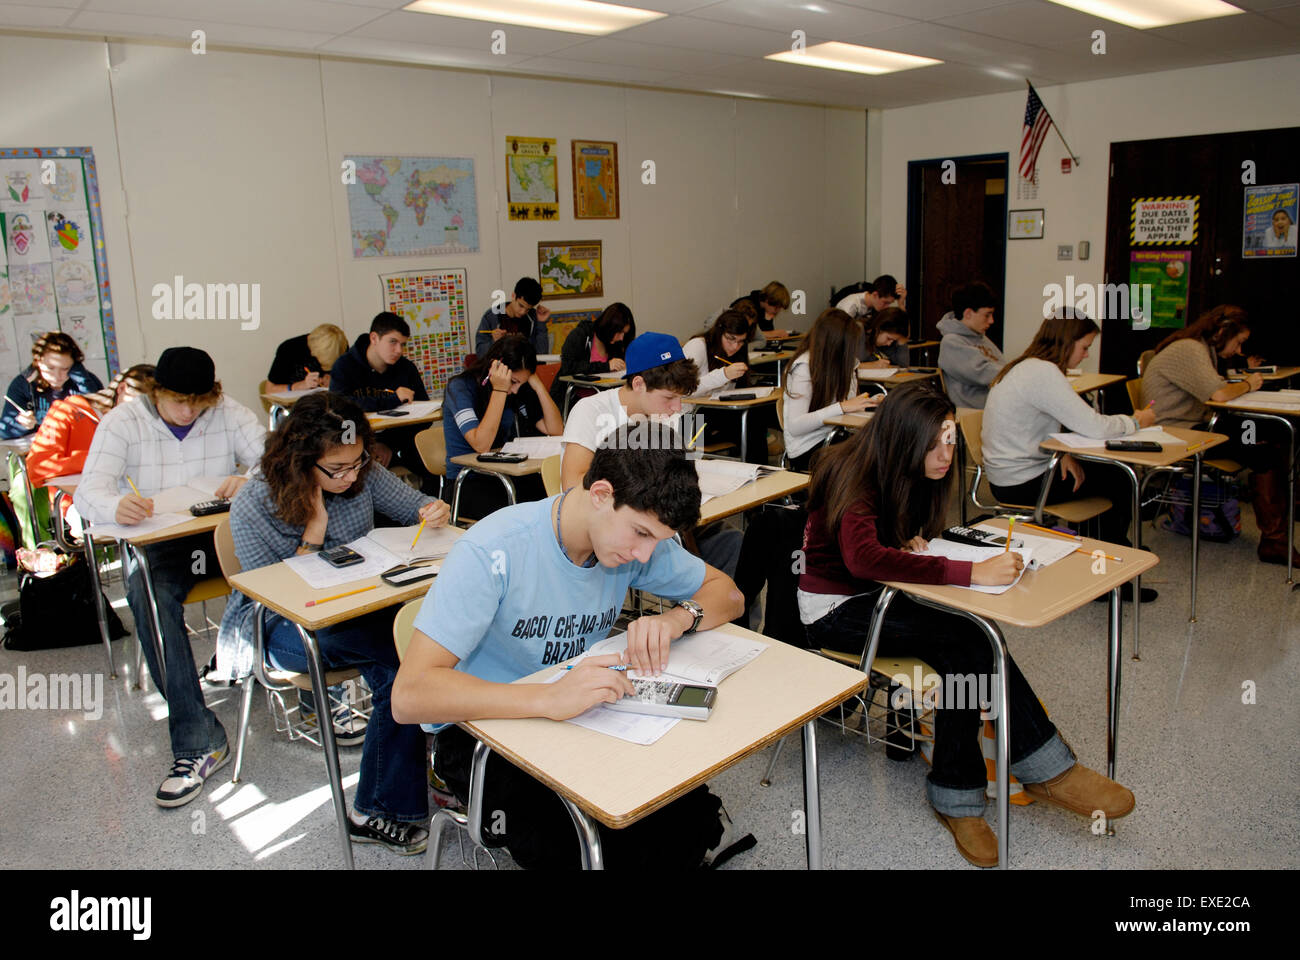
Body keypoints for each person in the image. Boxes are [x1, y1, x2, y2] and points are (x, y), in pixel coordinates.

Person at [799, 381, 1135, 867]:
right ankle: (1041, 770)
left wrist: (906, 541)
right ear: (903, 438)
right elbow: (862, 560)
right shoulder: (850, 470)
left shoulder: (895, 468)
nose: (946, 453)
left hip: (882, 593)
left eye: (951, 439)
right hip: (836, 612)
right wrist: (971, 571)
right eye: (933, 443)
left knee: (968, 643)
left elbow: (879, 542)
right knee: (970, 640)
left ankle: (961, 792)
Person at [391, 429, 747, 869]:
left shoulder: (634, 537)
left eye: (656, 540)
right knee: (594, 852)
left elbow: (728, 595)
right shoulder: (495, 549)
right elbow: (409, 696)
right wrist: (546, 698)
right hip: (484, 736)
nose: (644, 555)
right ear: (600, 494)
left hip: (581, 713)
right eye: (640, 534)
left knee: (676, 818)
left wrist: (677, 618)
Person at [214, 391, 451, 854]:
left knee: (427, 644)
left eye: (357, 462)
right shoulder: (255, 503)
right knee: (405, 665)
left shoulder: (359, 470)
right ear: (301, 459)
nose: (349, 476)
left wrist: (432, 510)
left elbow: (413, 503)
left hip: (360, 608)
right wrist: (313, 531)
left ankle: (403, 787)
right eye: (335, 470)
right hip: (283, 629)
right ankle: (376, 805)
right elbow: (275, 596)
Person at [74, 347, 266, 807]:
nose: (188, 411)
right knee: (149, 597)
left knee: (286, 568)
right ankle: (200, 740)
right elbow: (88, 492)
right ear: (156, 392)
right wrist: (114, 506)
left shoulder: (226, 410)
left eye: (197, 401)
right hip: (162, 543)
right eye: (178, 401)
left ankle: (309, 695)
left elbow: (274, 459)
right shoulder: (123, 422)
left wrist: (252, 478)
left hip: (222, 534)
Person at [982, 311, 1157, 599]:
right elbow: (1093, 426)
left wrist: (1063, 454)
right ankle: (1107, 573)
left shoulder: (1028, 366)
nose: (1086, 355)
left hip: (1016, 473)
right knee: (1120, 478)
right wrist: (1136, 421)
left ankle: (1108, 551)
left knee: (1106, 474)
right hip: (1022, 483)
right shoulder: (1043, 372)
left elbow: (1038, 423)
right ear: (1066, 342)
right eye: (1085, 347)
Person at [1142, 305, 1299, 566]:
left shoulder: (1200, 348)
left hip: (1195, 427)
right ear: (1223, 332)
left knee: (1269, 435)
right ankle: (1275, 542)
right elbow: (1220, 395)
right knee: (1263, 451)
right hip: (1177, 434)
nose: (1239, 350)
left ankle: (1277, 537)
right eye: (1238, 343)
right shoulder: (1190, 349)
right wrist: (1249, 384)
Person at [443, 334, 563, 519]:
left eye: (520, 383)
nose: (514, 390)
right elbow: (481, 444)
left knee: (554, 501)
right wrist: (499, 388)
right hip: (467, 482)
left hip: (503, 476)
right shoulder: (459, 387)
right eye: (513, 382)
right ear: (496, 369)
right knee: (526, 514)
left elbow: (555, 430)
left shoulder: (516, 390)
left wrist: (538, 386)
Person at [559, 331, 699, 491]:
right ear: (639, 384)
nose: (677, 408)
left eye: (680, 398)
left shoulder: (665, 414)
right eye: (669, 398)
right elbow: (572, 485)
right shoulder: (590, 411)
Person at [329, 312, 432, 484]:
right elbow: (339, 408)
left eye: (403, 344)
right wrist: (393, 400)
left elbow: (425, 416)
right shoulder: (344, 366)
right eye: (393, 342)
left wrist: (390, 445)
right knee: (361, 478)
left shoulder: (406, 368)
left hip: (399, 445)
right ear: (374, 338)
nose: (399, 350)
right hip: (356, 445)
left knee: (434, 467)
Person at [783, 308, 881, 473]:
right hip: (808, 448)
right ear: (835, 344)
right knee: (873, 459)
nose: (853, 351)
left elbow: (848, 410)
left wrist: (870, 404)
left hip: (836, 436)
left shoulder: (843, 364)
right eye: (849, 345)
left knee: (888, 447)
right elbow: (795, 426)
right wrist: (841, 407)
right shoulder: (804, 367)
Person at [683, 311, 769, 463]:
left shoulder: (737, 352)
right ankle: (754, 470)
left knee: (754, 419)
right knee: (749, 425)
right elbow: (682, 390)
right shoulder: (698, 346)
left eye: (741, 341)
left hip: (713, 415)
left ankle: (757, 473)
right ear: (719, 332)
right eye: (731, 339)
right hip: (688, 422)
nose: (735, 346)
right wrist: (723, 375)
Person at [1, 331, 104, 439]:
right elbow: (3, 432)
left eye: (65, 369)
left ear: (74, 365)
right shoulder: (24, 384)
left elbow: (100, 417)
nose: (57, 376)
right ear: (38, 362)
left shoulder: (86, 379)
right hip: (41, 451)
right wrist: (21, 424)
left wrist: (81, 377)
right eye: (50, 368)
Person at [548, 302, 636, 407]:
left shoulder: (615, 344)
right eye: (619, 332)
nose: (621, 338)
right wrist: (606, 366)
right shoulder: (580, 335)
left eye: (624, 334)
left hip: (606, 399)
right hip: (576, 401)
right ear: (609, 327)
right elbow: (568, 368)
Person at [937, 282, 1004, 409]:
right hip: (972, 413)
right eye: (987, 315)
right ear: (968, 313)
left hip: (993, 406)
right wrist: (1018, 373)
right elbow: (985, 373)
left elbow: (1001, 367)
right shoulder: (951, 342)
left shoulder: (980, 337)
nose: (991, 321)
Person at [475, 276, 550, 357]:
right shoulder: (491, 316)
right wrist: (494, 341)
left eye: (528, 309)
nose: (523, 312)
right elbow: (480, 353)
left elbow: (542, 353)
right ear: (513, 296)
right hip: (499, 367)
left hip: (525, 367)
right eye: (521, 306)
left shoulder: (533, 317)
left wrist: (541, 323)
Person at [265, 323, 348, 392]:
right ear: (314, 351)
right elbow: (269, 390)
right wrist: (300, 386)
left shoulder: (340, 346)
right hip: (297, 406)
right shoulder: (288, 349)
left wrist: (333, 379)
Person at [857, 305, 911, 370]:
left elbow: (903, 365)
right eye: (888, 338)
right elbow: (843, 366)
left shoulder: (878, 341)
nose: (889, 344)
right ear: (879, 328)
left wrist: (902, 341)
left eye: (893, 340)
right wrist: (868, 365)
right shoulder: (858, 330)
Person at [835, 274, 906, 321]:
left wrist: (901, 303)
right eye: (885, 302)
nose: (887, 307)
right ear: (875, 295)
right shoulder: (851, 306)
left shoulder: (875, 306)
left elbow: (900, 332)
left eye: (889, 303)